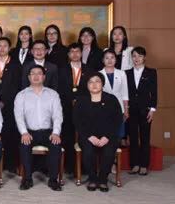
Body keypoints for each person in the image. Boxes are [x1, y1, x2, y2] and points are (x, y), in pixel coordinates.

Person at [14, 65, 63, 191]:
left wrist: (56, 132)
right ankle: (27, 179)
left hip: (48, 132)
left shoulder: (53, 94)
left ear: (44, 77)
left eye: (39, 73)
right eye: (33, 73)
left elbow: (57, 115)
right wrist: (24, 132)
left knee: (56, 145)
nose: (36, 76)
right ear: (29, 77)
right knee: (24, 145)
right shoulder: (21, 95)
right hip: (29, 132)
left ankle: (53, 180)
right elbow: (19, 116)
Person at [73, 73, 123, 192]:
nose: (94, 84)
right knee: (88, 151)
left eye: (97, 81)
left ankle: (103, 179)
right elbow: (76, 121)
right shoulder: (81, 100)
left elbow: (118, 120)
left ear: (102, 83)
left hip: (108, 136)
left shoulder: (111, 99)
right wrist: (89, 136)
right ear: (87, 85)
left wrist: (107, 136)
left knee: (109, 151)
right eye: (91, 82)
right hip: (88, 136)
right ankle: (92, 178)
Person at [57, 43, 91, 173]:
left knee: (83, 136)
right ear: (68, 54)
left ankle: (84, 167)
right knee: (68, 136)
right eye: (72, 51)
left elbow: (91, 89)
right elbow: (59, 89)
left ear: (81, 53)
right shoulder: (62, 69)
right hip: (66, 107)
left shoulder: (89, 69)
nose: (75, 54)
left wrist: (80, 101)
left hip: (84, 108)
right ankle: (69, 166)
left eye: (77, 51)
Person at [0, 37, 22, 172]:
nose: (2, 48)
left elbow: (17, 86)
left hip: (10, 104)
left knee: (10, 133)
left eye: (5, 46)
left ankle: (10, 164)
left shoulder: (15, 65)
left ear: (9, 48)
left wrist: (5, 101)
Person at [126, 47, 157, 176]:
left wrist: (152, 109)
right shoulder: (126, 73)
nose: (136, 58)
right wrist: (126, 109)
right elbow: (125, 93)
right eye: (134, 56)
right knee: (133, 138)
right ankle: (134, 164)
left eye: (139, 56)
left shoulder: (151, 72)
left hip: (146, 110)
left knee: (145, 137)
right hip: (131, 110)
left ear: (144, 57)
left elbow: (154, 92)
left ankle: (144, 165)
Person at [100, 49, 129, 145]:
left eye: (112, 57)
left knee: (118, 134)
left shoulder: (122, 73)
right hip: (103, 107)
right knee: (104, 133)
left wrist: (126, 110)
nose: (109, 60)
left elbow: (125, 93)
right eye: (107, 58)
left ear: (116, 60)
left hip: (119, 108)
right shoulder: (98, 74)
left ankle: (116, 153)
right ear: (103, 60)